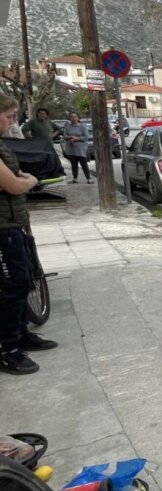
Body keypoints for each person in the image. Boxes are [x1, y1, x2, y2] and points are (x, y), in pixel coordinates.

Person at [0, 94, 58, 375]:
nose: (12, 123)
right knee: (13, 286)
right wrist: (31, 181)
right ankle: (7, 350)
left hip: (12, 224)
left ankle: (21, 335)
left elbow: (15, 172)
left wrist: (22, 178)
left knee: (22, 283)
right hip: (2, 230)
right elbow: (14, 184)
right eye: (9, 117)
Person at [62, 112, 92, 184]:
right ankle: (75, 179)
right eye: (71, 117)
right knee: (74, 164)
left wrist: (76, 139)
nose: (73, 118)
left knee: (84, 164)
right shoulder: (67, 127)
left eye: (75, 117)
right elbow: (64, 137)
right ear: (69, 118)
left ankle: (89, 179)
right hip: (71, 149)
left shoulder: (82, 127)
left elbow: (86, 137)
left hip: (81, 149)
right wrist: (71, 137)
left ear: (78, 118)